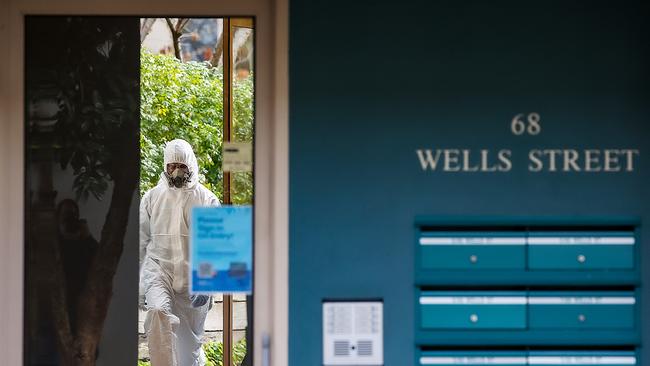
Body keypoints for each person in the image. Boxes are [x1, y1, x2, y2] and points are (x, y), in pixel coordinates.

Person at [139, 139, 219, 366]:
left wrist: (207, 284)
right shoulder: (152, 198)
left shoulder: (206, 199)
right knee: (157, 313)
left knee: (188, 351)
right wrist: (139, 285)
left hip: (193, 279)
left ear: (190, 165)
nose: (176, 171)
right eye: (172, 165)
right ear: (165, 166)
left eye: (181, 165)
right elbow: (140, 242)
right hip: (160, 272)